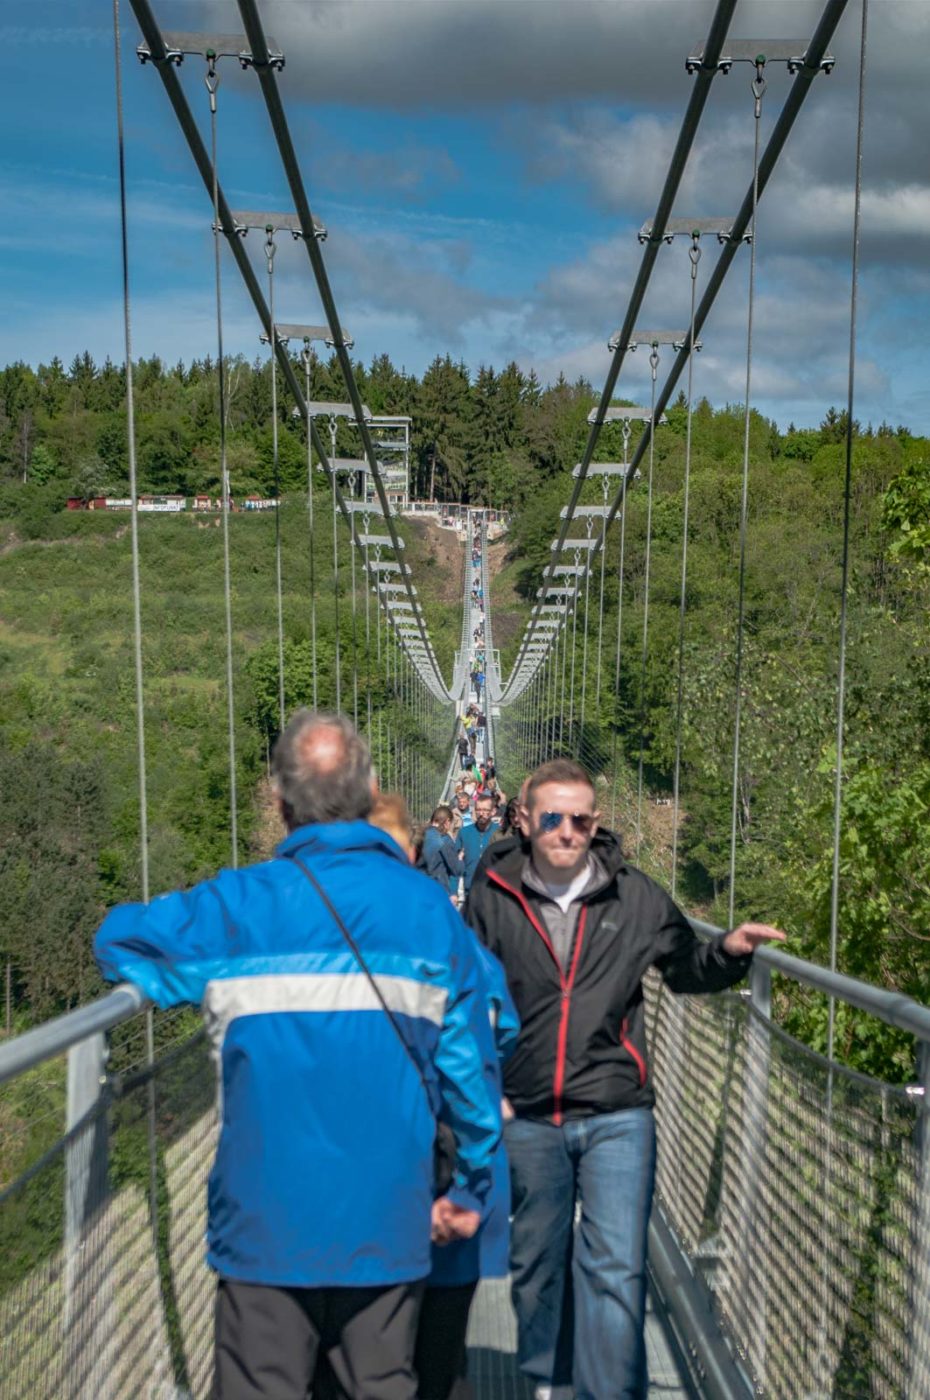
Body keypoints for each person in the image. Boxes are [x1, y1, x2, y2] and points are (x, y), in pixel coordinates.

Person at [95, 711, 501, 1400]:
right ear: (371, 790)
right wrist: (472, 1185)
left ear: (280, 802)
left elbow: (121, 942)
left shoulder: (236, 907)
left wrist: (187, 976)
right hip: (389, 1217)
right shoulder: (429, 913)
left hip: (265, 1224)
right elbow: (470, 1074)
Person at [465, 757, 785, 1400]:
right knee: (535, 1270)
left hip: (617, 1110)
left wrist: (726, 952)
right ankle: (553, 1382)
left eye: (579, 818)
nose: (566, 830)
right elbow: (465, 1000)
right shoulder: (491, 896)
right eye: (552, 817)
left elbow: (682, 965)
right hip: (527, 1111)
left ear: (595, 822)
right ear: (525, 820)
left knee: (615, 1270)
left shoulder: (633, 894)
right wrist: (482, 1089)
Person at [457, 795, 499, 898]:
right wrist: (453, 892)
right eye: (478, 810)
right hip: (470, 890)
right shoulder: (464, 832)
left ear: (493, 811)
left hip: (494, 892)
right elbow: (456, 864)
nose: (481, 813)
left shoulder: (500, 833)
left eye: (485, 810)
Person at [424, 804, 463, 896]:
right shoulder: (445, 840)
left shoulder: (420, 835)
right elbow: (456, 869)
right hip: (438, 889)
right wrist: (460, 858)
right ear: (448, 822)